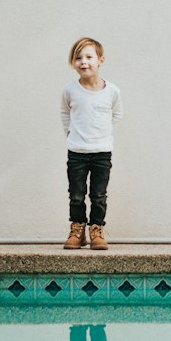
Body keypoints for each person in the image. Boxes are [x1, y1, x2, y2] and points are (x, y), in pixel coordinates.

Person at [61, 36, 123, 250]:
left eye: (89, 57)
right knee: (76, 195)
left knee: (98, 195)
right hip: (76, 152)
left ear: (101, 60)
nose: (83, 62)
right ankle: (77, 230)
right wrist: (72, 135)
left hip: (102, 152)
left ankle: (96, 230)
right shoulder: (70, 90)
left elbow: (116, 115)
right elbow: (65, 114)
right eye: (78, 58)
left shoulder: (112, 91)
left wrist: (101, 134)